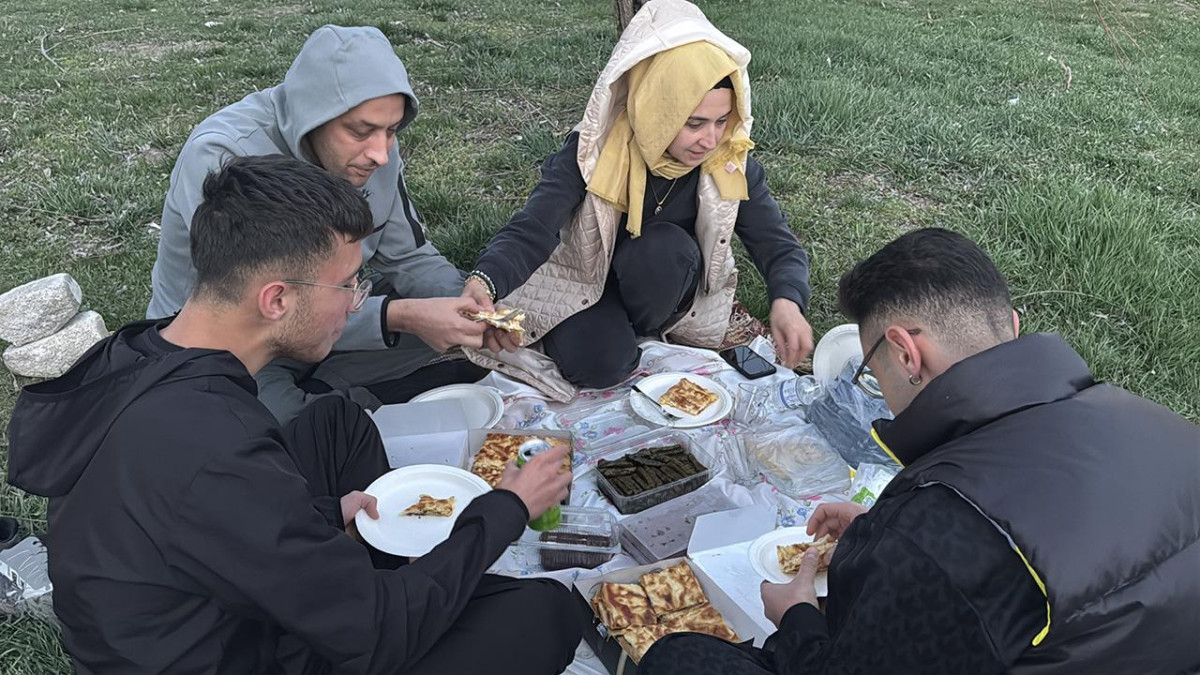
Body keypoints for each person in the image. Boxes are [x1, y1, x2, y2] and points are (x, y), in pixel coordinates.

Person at [7, 156, 583, 675]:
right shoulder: (216, 453)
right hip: (227, 653)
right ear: (276, 299)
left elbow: (208, 517)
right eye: (347, 285)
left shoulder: (149, 350)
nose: (357, 300)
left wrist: (318, 517)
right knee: (544, 612)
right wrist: (506, 508)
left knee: (338, 424)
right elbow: (374, 634)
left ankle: (361, 577)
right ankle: (372, 586)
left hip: (193, 583)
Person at [639, 228, 1200, 674]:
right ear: (1009, 324)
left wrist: (799, 620)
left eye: (870, 368)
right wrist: (884, 537)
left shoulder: (945, 531)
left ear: (905, 354)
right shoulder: (1163, 426)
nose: (878, 389)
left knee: (678, 657)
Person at [458, 0, 813, 400]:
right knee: (599, 366)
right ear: (657, 109)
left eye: (720, 121)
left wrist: (787, 300)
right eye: (694, 123)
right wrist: (485, 278)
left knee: (663, 247)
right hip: (587, 279)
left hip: (661, 284)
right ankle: (611, 332)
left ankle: (641, 329)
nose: (710, 140)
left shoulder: (729, 162)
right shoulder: (592, 152)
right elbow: (534, 225)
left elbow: (778, 245)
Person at [147, 24, 488, 424]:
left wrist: (471, 308)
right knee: (275, 433)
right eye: (360, 131)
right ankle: (329, 405)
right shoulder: (226, 156)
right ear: (313, 118)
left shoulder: (374, 154)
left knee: (451, 318)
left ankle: (327, 386)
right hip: (237, 341)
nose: (380, 153)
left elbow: (408, 256)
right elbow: (262, 306)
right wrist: (399, 316)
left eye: (392, 130)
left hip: (334, 307)